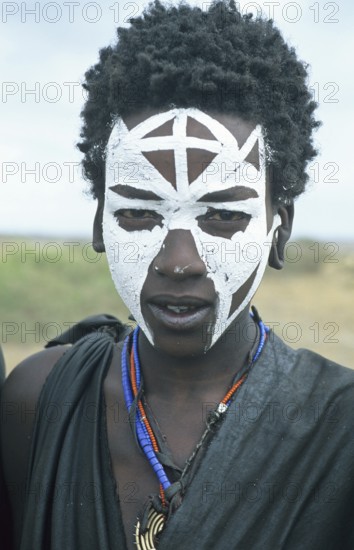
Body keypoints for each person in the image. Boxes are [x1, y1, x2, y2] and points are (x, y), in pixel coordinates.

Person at [1, 1, 354, 549]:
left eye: (222, 216)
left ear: (278, 229)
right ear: (99, 224)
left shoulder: (341, 428)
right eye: (139, 213)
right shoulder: (39, 400)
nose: (178, 261)